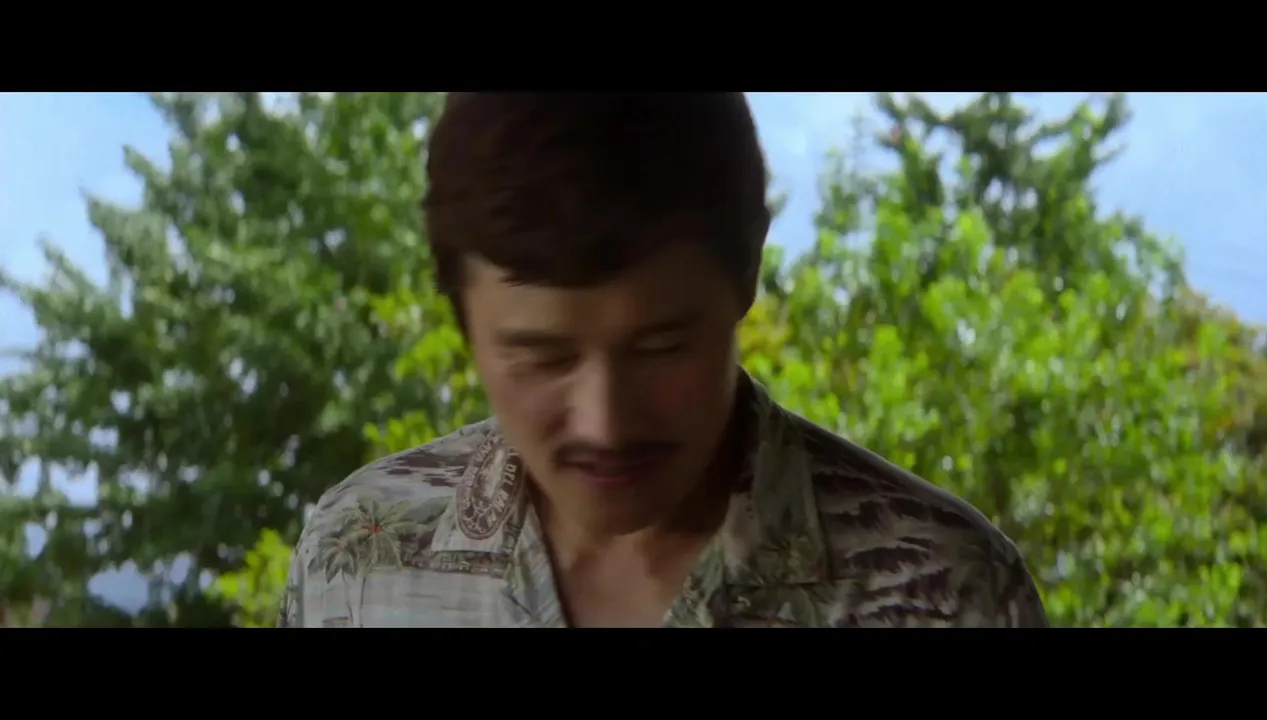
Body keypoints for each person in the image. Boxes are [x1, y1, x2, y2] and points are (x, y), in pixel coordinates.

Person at [276, 93, 1049, 628]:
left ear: (747, 273)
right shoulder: (359, 560)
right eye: (542, 357)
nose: (605, 424)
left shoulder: (947, 592)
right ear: (461, 315)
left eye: (662, 347)